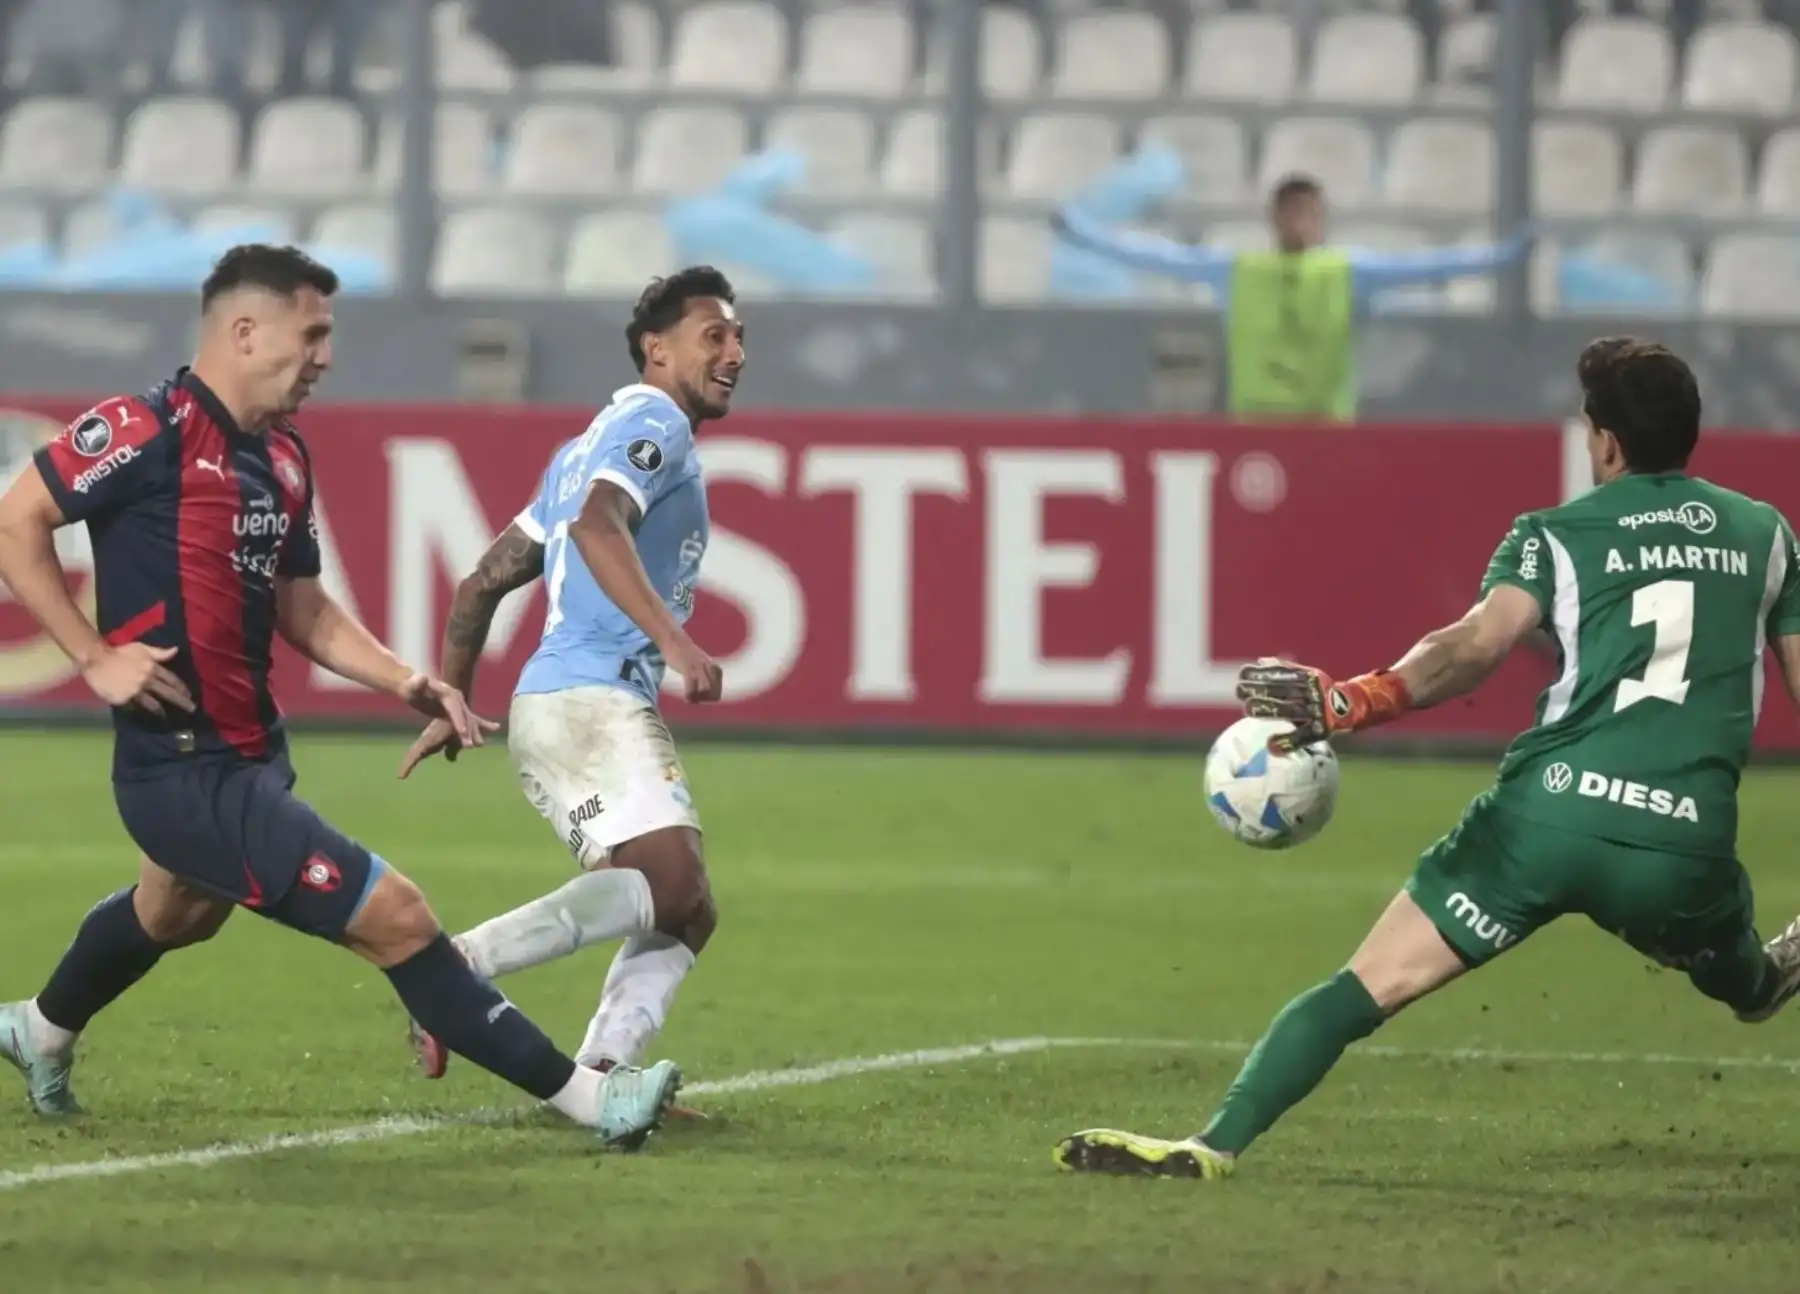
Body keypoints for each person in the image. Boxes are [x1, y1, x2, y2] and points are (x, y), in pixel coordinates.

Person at [1054, 336, 1800, 1180]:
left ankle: (1211, 1146)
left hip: (1544, 820)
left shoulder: (1555, 535)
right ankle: (1764, 976)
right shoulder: (1766, 535)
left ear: (1605, 442)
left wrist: (1351, 701)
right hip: (1681, 845)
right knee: (1742, 981)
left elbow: (1474, 647)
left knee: (1367, 985)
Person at [0, 244, 681, 1150]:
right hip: (181, 767)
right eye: (312, 334)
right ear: (245, 332)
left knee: (173, 912)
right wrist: (92, 656)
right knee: (396, 916)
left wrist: (406, 678)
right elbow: (18, 521)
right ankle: (592, 1100)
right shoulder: (145, 429)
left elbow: (303, 606)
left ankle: (38, 1028)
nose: (325, 356)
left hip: (248, 749)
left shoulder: (281, 456)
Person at [398, 267, 739, 1114]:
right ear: (656, 350)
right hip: (590, 698)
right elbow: (595, 524)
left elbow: (482, 581)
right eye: (714, 335)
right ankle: (457, 967)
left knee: (686, 910)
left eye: (739, 338)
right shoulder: (653, 420)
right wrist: (678, 643)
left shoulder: (578, 448)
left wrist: (453, 693)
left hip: (554, 704)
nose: (733, 353)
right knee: (672, 886)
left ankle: (603, 1074)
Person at [1050, 173, 1535, 422]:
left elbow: (1430, 268)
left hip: (1324, 428)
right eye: (1293, 213)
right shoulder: (1238, 270)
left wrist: (1501, 257)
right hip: (1257, 426)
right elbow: (1154, 257)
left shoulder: (1348, 271)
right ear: (1275, 217)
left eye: (1311, 213)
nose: (1302, 223)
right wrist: (1084, 235)